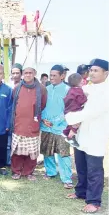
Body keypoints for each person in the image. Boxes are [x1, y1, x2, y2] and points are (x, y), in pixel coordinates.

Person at [65, 58, 109, 214]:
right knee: (81, 166)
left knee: (94, 170)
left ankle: (94, 201)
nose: (92, 73)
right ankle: (81, 192)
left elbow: (90, 112)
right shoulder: (88, 88)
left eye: (96, 70)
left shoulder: (106, 91)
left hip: (96, 135)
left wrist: (70, 118)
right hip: (82, 134)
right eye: (91, 70)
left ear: (106, 73)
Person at [11, 67, 47, 181]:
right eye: (25, 73)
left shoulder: (41, 88)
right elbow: (14, 103)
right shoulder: (17, 87)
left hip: (33, 124)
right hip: (18, 124)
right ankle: (16, 171)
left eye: (30, 73)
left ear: (35, 74)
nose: (28, 75)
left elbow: (43, 104)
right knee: (17, 151)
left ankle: (29, 172)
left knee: (32, 152)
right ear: (22, 74)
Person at [40, 65, 73, 188]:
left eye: (55, 75)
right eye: (51, 75)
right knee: (47, 151)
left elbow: (70, 109)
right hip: (45, 125)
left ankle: (66, 178)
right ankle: (51, 172)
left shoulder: (68, 90)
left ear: (62, 76)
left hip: (61, 127)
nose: (52, 78)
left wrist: (55, 121)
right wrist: (43, 119)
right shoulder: (45, 89)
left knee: (63, 153)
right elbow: (41, 106)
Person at [63, 73, 87, 147]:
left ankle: (65, 132)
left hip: (68, 110)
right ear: (79, 82)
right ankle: (70, 137)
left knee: (70, 124)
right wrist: (86, 98)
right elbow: (81, 101)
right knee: (76, 124)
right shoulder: (79, 90)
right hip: (74, 111)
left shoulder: (70, 89)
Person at [7, 63, 23, 166]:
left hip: (19, 119)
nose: (15, 75)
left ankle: (17, 163)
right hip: (8, 118)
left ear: (21, 74)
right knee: (8, 143)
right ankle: (8, 161)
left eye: (17, 73)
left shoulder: (24, 86)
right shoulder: (8, 86)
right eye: (13, 73)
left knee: (18, 143)